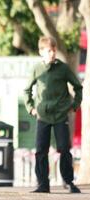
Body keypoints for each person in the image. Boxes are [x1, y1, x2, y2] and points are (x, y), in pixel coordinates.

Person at [24, 36, 83, 193]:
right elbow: (27, 90)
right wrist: (31, 108)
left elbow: (78, 87)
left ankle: (69, 182)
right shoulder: (36, 69)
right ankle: (43, 184)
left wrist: (74, 105)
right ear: (41, 52)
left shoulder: (63, 68)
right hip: (42, 116)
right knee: (40, 150)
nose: (52, 53)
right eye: (49, 50)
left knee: (64, 149)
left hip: (61, 116)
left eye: (54, 50)